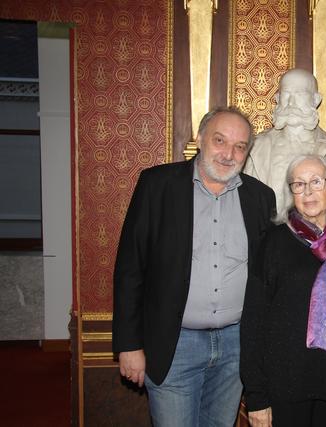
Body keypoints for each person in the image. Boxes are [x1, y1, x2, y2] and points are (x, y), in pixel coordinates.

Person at [112, 107, 276, 427]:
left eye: (240, 146)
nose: (229, 153)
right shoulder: (157, 185)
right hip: (174, 345)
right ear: (200, 139)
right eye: (219, 140)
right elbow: (130, 267)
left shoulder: (260, 197)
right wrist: (129, 345)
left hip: (235, 346)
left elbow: (267, 276)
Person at [240, 154, 326, 427]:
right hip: (286, 381)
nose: (307, 192)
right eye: (298, 184)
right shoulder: (272, 242)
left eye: (316, 182)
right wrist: (257, 395)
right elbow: (253, 322)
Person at [243, 68, 326, 210]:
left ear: (316, 100)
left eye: (300, 95)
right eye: (286, 95)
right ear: (277, 99)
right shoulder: (253, 149)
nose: (291, 103)